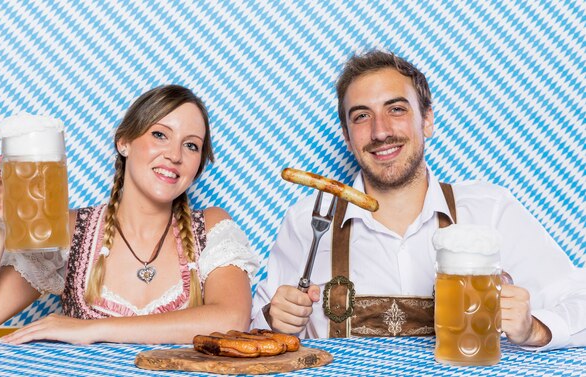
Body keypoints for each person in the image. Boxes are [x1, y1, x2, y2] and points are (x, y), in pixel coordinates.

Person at [251, 50, 586, 350]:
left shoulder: (490, 211)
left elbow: (579, 300)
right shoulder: (306, 223)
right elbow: (253, 332)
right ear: (347, 137)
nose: (380, 131)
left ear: (427, 120)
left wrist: (535, 330)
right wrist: (273, 321)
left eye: (396, 109)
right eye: (361, 116)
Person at [0, 85, 259, 344]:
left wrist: (92, 329)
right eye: (159, 135)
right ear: (124, 142)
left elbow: (231, 319)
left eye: (191, 145)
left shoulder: (210, 227)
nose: (175, 155)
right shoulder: (69, 230)